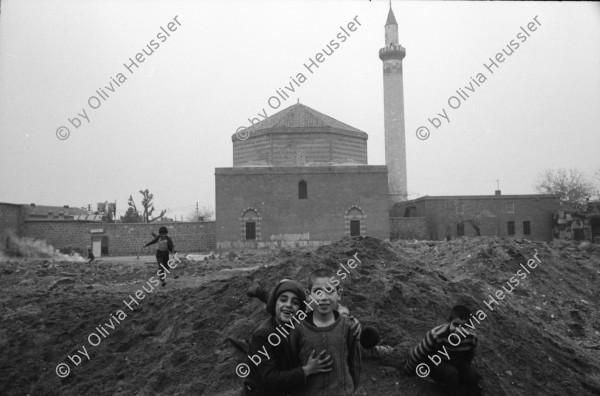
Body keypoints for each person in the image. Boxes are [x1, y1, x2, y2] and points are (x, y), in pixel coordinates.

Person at [242, 279, 333, 396]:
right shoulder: (263, 335)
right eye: (283, 300)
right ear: (274, 303)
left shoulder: (293, 325)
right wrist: (307, 370)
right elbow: (271, 380)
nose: (289, 305)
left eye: (295, 302)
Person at [289, 268, 361, 395]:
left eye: (329, 290)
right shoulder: (297, 329)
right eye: (317, 291)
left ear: (338, 294)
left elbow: (354, 364)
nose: (323, 297)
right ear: (309, 294)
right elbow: (292, 364)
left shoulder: (349, 327)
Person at [403, 305, 482, 396]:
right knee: (452, 374)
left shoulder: (472, 338)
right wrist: (408, 371)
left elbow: (469, 356)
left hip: (455, 361)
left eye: (464, 327)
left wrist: (465, 371)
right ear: (449, 322)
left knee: (473, 376)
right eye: (455, 325)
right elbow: (418, 353)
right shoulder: (436, 335)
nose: (458, 330)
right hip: (434, 363)